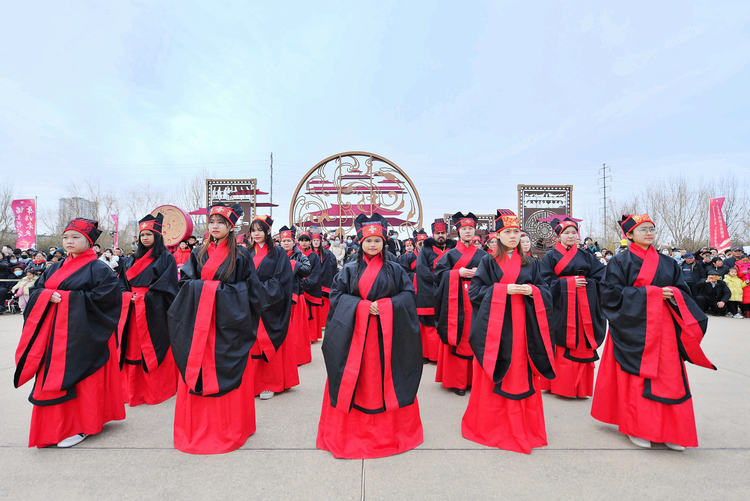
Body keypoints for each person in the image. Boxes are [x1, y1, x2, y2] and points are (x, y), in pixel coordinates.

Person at [591, 214, 716, 451]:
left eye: (652, 229)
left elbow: (683, 292)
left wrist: (673, 294)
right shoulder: (619, 261)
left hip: (664, 328)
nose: (649, 233)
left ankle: (672, 430)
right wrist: (652, 294)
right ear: (629, 235)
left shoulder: (669, 263)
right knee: (637, 377)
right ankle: (636, 427)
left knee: (670, 377)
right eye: (643, 230)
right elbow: (609, 294)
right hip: (632, 327)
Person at [316, 213, 423, 459]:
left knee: (383, 377)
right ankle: (351, 432)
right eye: (368, 240)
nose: (373, 244)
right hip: (355, 337)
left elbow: (408, 297)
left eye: (377, 240)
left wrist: (384, 307)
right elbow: (336, 297)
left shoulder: (396, 269)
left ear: (384, 243)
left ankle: (387, 433)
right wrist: (363, 307)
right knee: (354, 377)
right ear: (360, 243)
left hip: (386, 337)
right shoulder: (350, 269)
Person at [14, 218, 124, 448]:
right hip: (54, 335)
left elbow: (108, 300)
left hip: (85, 334)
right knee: (51, 380)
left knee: (84, 379)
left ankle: (82, 425)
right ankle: (58, 426)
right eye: (66, 237)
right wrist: (45, 297)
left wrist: (66, 300)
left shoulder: (99, 268)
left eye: (75, 237)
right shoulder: (55, 266)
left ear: (89, 241)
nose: (69, 241)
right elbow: (38, 290)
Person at [167, 203, 265, 454]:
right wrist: (207, 290)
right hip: (198, 325)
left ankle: (230, 428)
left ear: (231, 226)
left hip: (227, 326)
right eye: (212, 222)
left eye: (221, 222)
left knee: (225, 368)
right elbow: (185, 283)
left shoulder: (241, 255)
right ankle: (197, 428)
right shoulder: (198, 253)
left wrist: (212, 291)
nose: (215, 226)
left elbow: (252, 293)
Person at [462, 209, 555, 454]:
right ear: (498, 235)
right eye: (507, 232)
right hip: (497, 327)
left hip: (524, 326)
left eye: (516, 232)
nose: (513, 236)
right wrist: (504, 291)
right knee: (498, 368)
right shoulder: (487, 261)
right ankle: (494, 426)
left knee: (521, 370)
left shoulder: (531, 262)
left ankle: (524, 427)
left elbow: (545, 291)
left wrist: (531, 292)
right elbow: (474, 293)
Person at [539, 217, 606, 399]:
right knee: (561, 342)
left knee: (583, 340)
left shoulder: (586, 256)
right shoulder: (550, 257)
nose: (571, 236)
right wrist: (569, 283)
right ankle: (561, 386)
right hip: (561, 306)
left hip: (585, 306)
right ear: (558, 236)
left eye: (574, 233)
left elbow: (602, 277)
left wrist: (585, 284)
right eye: (566, 233)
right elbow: (544, 282)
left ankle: (582, 388)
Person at [118, 214, 179, 406]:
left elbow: (167, 286)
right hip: (131, 308)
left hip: (153, 308)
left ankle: (155, 390)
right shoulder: (130, 260)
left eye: (149, 234)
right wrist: (128, 297)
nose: (145, 238)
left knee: (154, 344)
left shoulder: (166, 258)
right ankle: (131, 391)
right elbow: (121, 285)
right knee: (131, 348)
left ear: (158, 236)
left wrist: (144, 298)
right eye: (142, 234)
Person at [434, 212, 485, 396]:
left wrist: (479, 274)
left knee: (477, 333)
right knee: (459, 335)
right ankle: (458, 380)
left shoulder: (483, 254)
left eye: (471, 228)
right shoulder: (450, 254)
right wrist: (458, 273)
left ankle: (476, 380)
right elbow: (439, 275)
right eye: (464, 229)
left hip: (477, 299)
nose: (468, 232)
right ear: (458, 232)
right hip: (456, 300)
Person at [248, 215, 296, 401]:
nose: (256, 233)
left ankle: (269, 383)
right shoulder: (246, 252)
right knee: (252, 344)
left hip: (270, 303)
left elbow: (283, 280)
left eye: (260, 229)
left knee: (267, 342)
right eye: (253, 230)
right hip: (249, 303)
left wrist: (260, 291)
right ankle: (252, 383)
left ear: (268, 231)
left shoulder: (278, 254)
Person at [415, 220, 455, 364]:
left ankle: (445, 356)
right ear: (433, 235)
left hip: (450, 287)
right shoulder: (426, 249)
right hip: (429, 288)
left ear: (447, 234)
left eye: (442, 233)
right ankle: (428, 354)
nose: (440, 236)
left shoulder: (453, 248)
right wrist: (439, 278)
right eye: (437, 233)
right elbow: (421, 269)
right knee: (429, 324)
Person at [278, 226, 313, 365]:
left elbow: (307, 270)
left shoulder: (300, 255)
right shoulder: (276, 254)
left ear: (294, 242)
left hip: (296, 295)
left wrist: (294, 264)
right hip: (279, 295)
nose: (286, 243)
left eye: (288, 240)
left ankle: (298, 356)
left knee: (297, 328)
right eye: (283, 240)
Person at [297, 231, 323, 342]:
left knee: (311, 313)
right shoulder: (296, 255)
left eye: (306, 241)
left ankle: (311, 337)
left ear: (310, 242)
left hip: (310, 287)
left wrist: (305, 283)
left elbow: (316, 272)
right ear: (298, 242)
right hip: (297, 286)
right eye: (301, 241)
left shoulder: (314, 256)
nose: (304, 243)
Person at [311, 232, 338, 339]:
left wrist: (324, 270)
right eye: (314, 241)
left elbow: (333, 263)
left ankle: (325, 322)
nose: (316, 242)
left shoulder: (327, 253)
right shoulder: (309, 254)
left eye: (318, 240)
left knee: (325, 301)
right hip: (313, 280)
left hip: (325, 279)